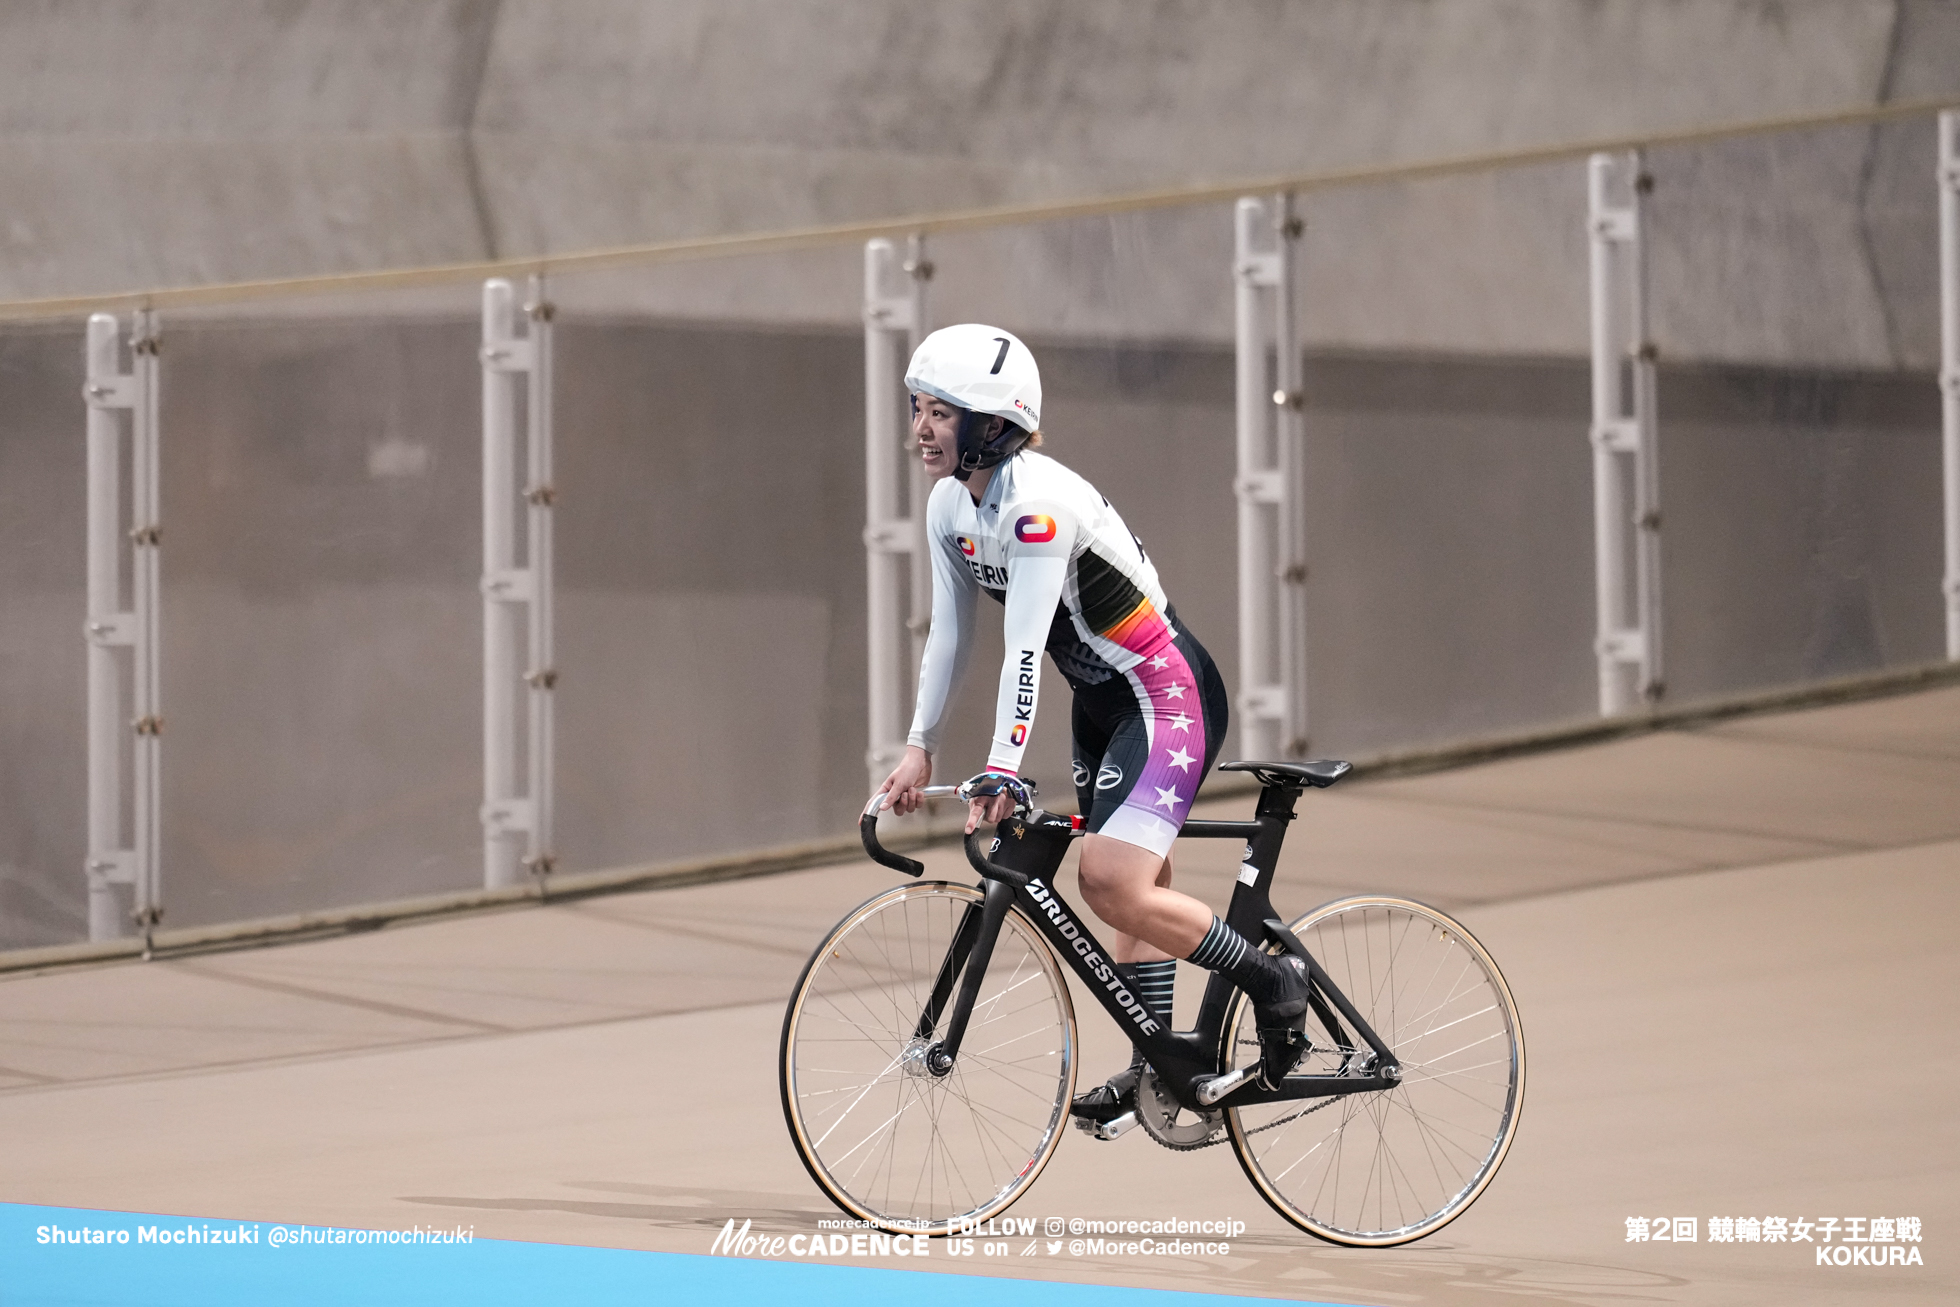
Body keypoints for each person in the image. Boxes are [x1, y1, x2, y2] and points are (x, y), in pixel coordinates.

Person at [875, 323, 1310, 1126]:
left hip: (1164, 694)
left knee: (1109, 878)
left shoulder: (1037, 508)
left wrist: (1005, 764)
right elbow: (951, 634)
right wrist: (918, 746)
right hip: (1104, 703)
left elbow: (1024, 644)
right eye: (919, 408)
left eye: (943, 412)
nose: (921, 427)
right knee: (1130, 893)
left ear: (991, 426)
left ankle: (1272, 979)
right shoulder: (950, 507)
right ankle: (1160, 1065)